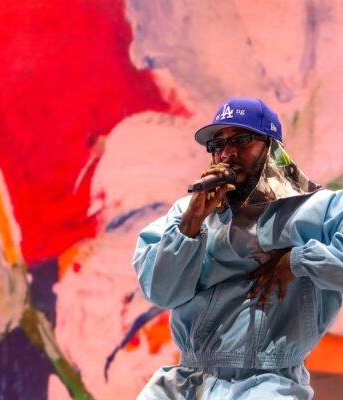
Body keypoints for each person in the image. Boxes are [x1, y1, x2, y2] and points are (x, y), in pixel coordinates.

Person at [132, 97, 343, 399]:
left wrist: (298, 260)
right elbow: (161, 293)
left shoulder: (318, 208)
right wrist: (190, 226)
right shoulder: (186, 213)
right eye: (217, 144)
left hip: (268, 381)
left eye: (241, 140)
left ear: (271, 146)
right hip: (187, 380)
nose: (227, 153)